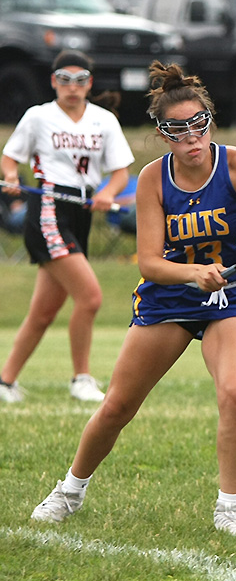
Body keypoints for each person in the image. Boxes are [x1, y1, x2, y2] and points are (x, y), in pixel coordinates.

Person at [29, 61, 236, 536]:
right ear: (163, 134)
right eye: (177, 130)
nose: (191, 138)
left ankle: (229, 508)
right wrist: (194, 273)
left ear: (209, 122)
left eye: (198, 125)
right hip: (170, 299)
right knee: (118, 405)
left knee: (235, 392)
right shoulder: (153, 180)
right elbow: (149, 264)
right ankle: (70, 489)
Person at [0, 50, 132, 404]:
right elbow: (10, 157)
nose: (71, 87)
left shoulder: (104, 120)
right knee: (90, 297)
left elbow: (121, 173)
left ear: (89, 83)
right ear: (53, 81)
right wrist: (11, 176)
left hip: (82, 210)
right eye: (63, 79)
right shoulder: (39, 117)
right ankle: (81, 378)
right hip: (47, 207)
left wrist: (106, 193)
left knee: (43, 312)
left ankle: (4, 381)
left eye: (79, 80)